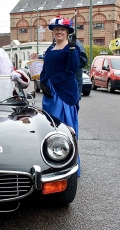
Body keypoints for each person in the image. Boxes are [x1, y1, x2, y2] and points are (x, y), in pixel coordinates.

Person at [39, 16, 81, 176]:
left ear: (67, 32)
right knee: (49, 127)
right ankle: (52, 162)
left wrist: (71, 49)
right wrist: (43, 82)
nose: (58, 32)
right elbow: (46, 68)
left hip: (65, 93)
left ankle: (69, 167)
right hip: (50, 93)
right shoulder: (51, 49)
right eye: (56, 29)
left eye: (62, 29)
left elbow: (73, 67)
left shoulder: (71, 48)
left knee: (66, 128)